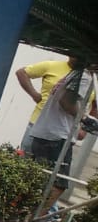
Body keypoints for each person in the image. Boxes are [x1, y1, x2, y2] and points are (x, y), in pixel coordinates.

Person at [23, 60, 97, 210]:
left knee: (38, 180)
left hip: (45, 133)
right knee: (58, 185)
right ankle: (31, 219)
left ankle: (22, 216)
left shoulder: (75, 74)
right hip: (57, 136)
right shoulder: (84, 77)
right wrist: (85, 118)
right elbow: (66, 102)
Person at [16, 56, 87, 147]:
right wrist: (34, 94)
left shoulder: (87, 78)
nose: (76, 57)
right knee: (27, 153)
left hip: (65, 132)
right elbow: (22, 73)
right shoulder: (51, 65)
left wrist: (84, 128)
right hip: (38, 123)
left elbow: (94, 105)